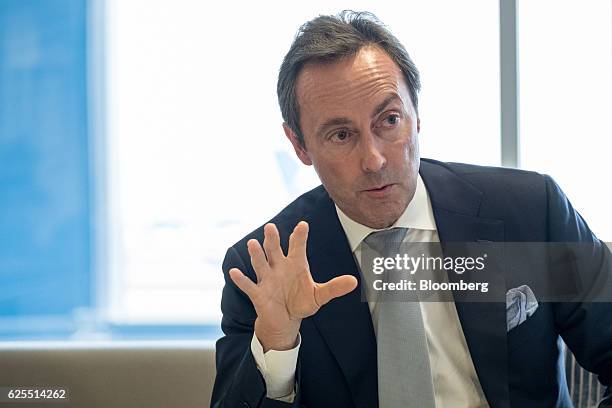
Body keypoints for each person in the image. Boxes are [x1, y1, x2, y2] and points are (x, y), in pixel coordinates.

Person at [211, 11, 612, 408]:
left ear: (416, 117)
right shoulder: (265, 269)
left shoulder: (529, 212)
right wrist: (278, 348)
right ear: (299, 145)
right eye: (341, 134)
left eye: (389, 120)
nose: (374, 160)